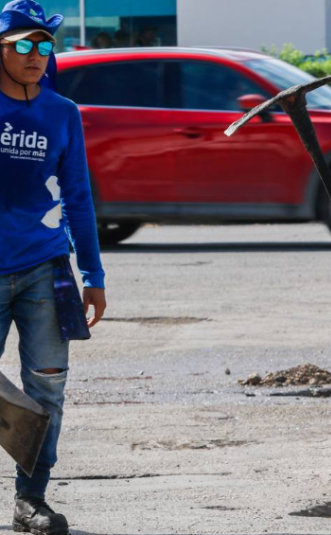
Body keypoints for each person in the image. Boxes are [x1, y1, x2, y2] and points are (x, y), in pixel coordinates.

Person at [0, 1, 106, 533]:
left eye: (44, 45)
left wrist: (94, 274)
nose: (36, 55)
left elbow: (79, 197)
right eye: (23, 44)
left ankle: (31, 499)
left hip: (46, 267)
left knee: (48, 388)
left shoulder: (63, 113)